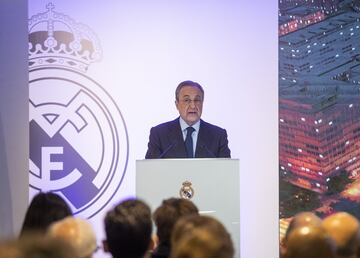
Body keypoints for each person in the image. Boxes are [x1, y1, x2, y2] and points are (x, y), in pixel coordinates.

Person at [145, 80, 231, 159]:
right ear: (177, 104)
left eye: (197, 100)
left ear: (202, 103)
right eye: (187, 100)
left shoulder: (218, 136)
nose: (193, 106)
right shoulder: (159, 134)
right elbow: (150, 170)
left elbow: (226, 171)